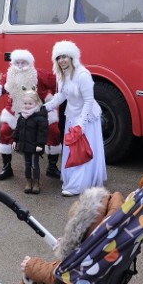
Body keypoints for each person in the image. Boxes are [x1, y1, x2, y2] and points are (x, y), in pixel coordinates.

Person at [0, 49, 61, 181]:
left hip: (39, 110)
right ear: (12, 63)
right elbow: (0, 89)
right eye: (17, 62)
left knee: (54, 131)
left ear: (30, 63)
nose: (19, 65)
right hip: (15, 110)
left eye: (23, 62)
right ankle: (7, 168)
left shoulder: (40, 74)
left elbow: (57, 85)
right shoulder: (8, 76)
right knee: (4, 131)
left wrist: (50, 99)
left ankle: (52, 168)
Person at [43, 40, 107, 197]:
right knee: (72, 151)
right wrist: (42, 109)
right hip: (72, 116)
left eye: (64, 56)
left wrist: (81, 124)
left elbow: (88, 101)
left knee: (82, 151)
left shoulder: (83, 74)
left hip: (87, 119)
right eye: (58, 58)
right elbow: (62, 96)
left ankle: (78, 185)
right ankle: (74, 180)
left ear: (72, 57)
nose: (61, 60)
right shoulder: (62, 74)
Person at [12, 90, 48, 195]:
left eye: (30, 103)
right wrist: (15, 140)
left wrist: (40, 144)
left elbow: (43, 132)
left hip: (34, 146)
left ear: (37, 103)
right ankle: (28, 181)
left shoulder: (40, 117)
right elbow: (18, 129)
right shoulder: (22, 116)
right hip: (24, 145)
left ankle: (36, 182)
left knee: (34, 164)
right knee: (27, 164)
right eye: (25, 103)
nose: (27, 106)